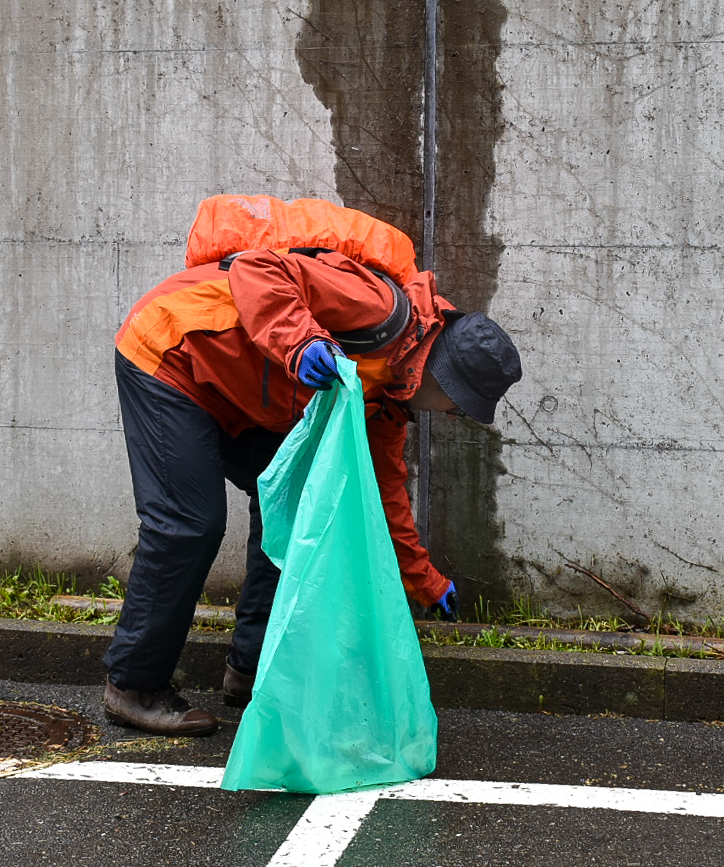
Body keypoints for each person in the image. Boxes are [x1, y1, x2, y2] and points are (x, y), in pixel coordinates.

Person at [104, 240, 523, 736]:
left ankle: (253, 671)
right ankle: (134, 686)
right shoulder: (380, 308)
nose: (452, 415)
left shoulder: (387, 396)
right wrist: (301, 343)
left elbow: (384, 492)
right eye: (458, 404)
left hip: (234, 390)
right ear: (443, 375)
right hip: (173, 351)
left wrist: (425, 582)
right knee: (190, 524)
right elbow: (258, 269)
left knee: (300, 506)